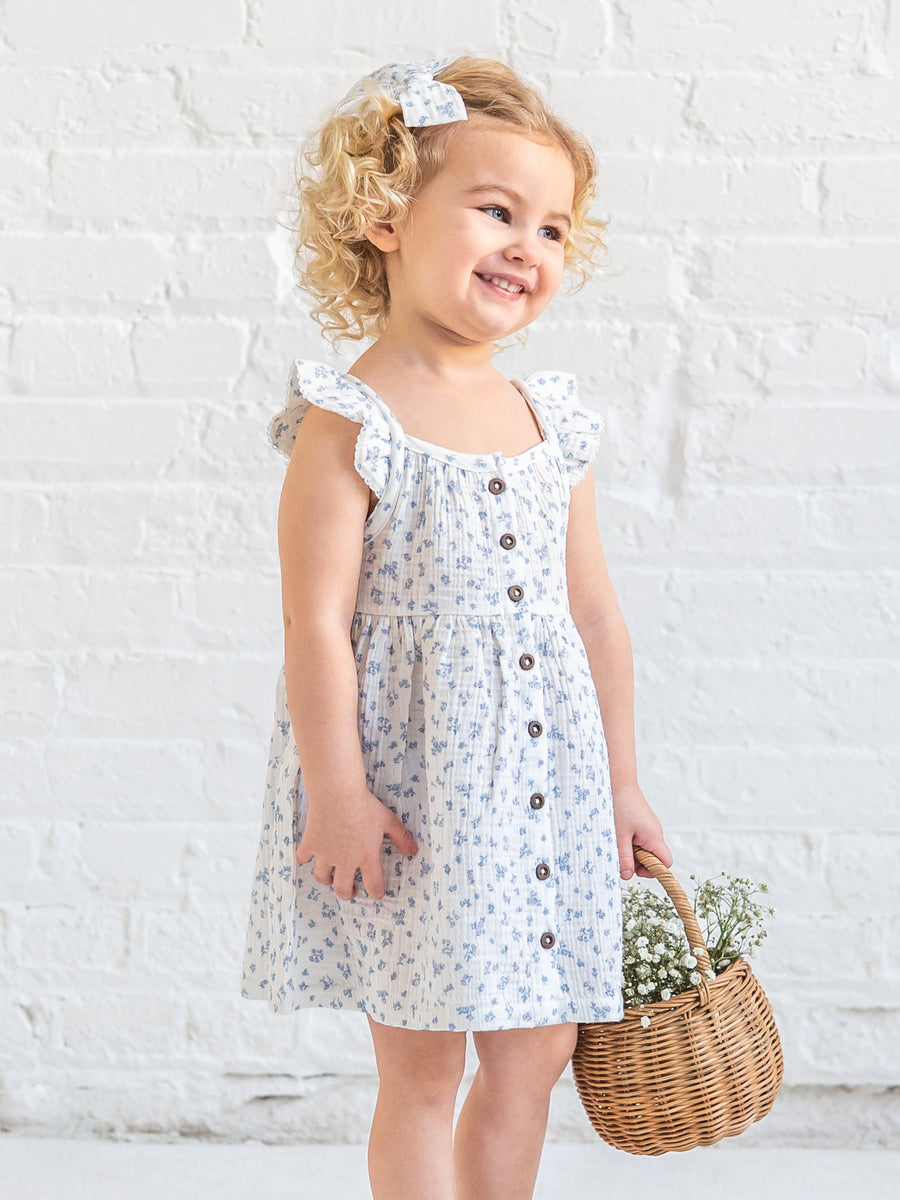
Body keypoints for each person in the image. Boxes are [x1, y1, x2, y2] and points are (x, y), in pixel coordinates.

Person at [241, 54, 673, 1200]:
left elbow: (594, 614)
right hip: (419, 799)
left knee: (536, 1054)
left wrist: (621, 785)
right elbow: (315, 625)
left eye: (553, 228)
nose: (528, 246)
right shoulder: (349, 423)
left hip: (548, 786)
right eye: (496, 211)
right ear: (386, 217)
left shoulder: (550, 420)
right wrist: (337, 793)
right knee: (424, 1065)